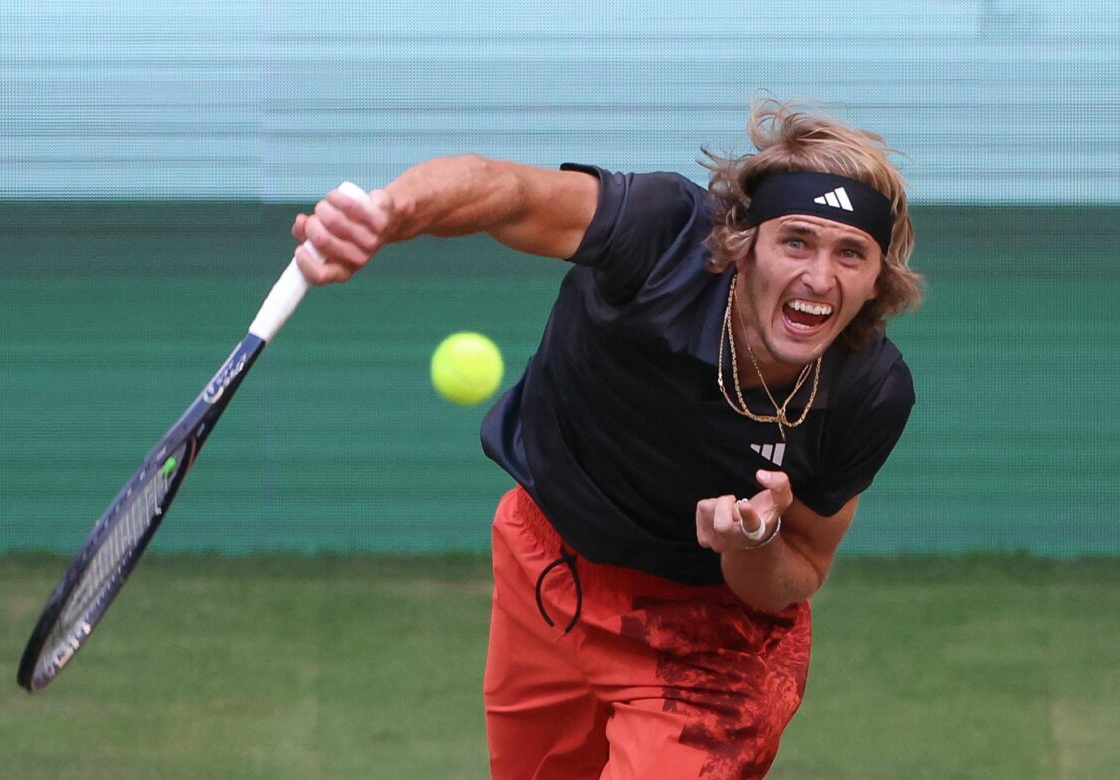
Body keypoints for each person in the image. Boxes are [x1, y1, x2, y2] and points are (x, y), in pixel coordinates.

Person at [291, 98, 922, 779]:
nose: (819, 278)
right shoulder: (659, 238)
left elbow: (796, 573)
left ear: (877, 280)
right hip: (547, 566)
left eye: (851, 254)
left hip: (710, 639)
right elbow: (502, 190)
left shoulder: (868, 390)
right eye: (796, 241)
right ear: (743, 246)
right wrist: (387, 214)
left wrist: (753, 545)